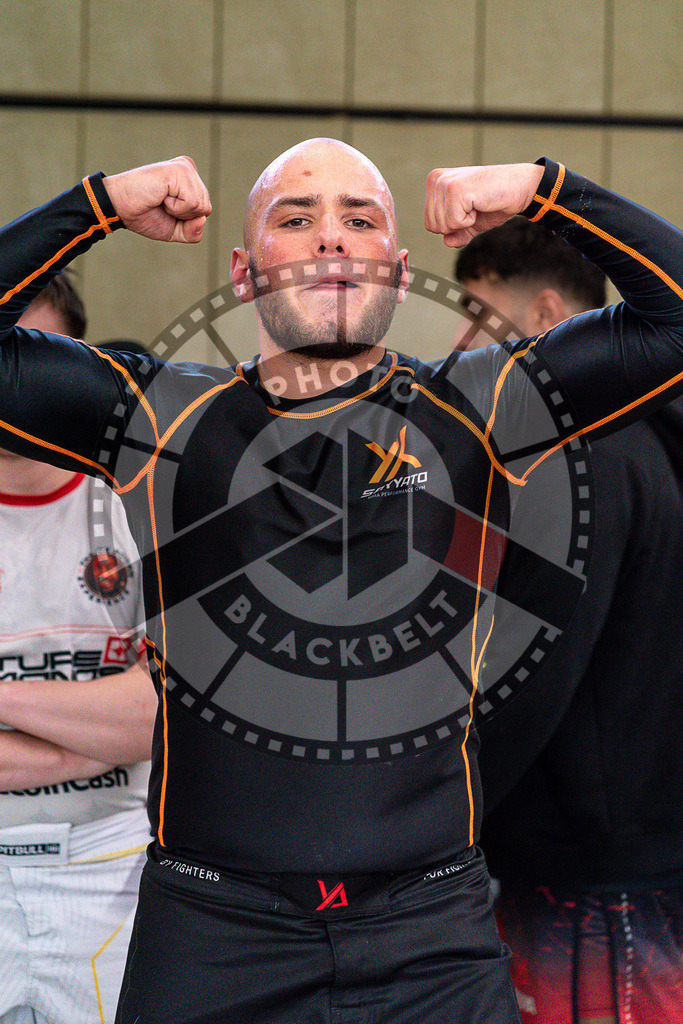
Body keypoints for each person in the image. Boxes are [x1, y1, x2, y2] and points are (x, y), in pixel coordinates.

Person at [0, 141, 680, 1024]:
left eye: (359, 219)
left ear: (395, 271)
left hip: (430, 935)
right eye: (296, 219)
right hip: (215, 936)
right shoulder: (159, 415)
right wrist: (98, 203)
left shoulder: (481, 405)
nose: (329, 237)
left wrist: (543, 190)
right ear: (243, 273)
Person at [453, 219, 683, 1024]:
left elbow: (532, 670)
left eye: (476, 315)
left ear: (546, 315)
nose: (460, 341)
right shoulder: (641, 433)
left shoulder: (583, 452)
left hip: (592, 878)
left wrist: (439, 814)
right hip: (630, 851)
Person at [0, 274, 156, 1024]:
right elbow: (131, 721)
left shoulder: (143, 499)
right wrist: (94, 735)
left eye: (28, 358)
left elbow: (165, 715)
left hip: (115, 865)